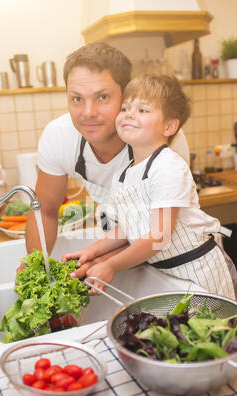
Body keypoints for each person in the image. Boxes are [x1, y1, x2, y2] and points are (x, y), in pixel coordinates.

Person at [23, 42, 190, 278]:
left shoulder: (160, 138)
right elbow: (46, 211)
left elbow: (160, 230)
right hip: (121, 251)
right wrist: (35, 267)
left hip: (181, 264)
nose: (88, 112)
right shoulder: (59, 136)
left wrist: (103, 261)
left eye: (102, 97)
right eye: (77, 98)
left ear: (125, 96)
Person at [63, 75, 236, 300]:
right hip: (168, 274)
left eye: (143, 110)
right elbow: (130, 228)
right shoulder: (124, 174)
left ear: (169, 126)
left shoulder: (168, 166)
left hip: (199, 273)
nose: (129, 114)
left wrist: (112, 266)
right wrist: (93, 251)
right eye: (125, 108)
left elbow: (158, 236)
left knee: (215, 334)